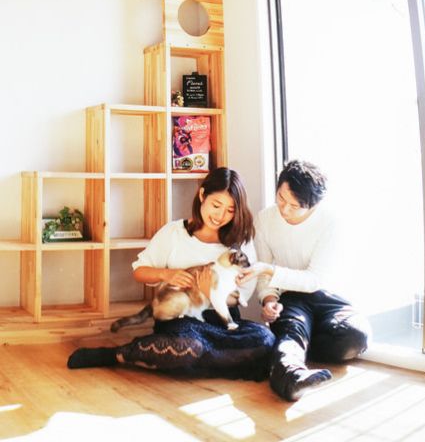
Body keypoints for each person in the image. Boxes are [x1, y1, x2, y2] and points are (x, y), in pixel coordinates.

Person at [67, 167, 274, 381]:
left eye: (230, 210)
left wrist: (209, 293)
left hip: (223, 321)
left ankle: (189, 361)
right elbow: (140, 271)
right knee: (187, 344)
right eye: (216, 205)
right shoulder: (174, 232)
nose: (221, 216)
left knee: (265, 338)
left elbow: (243, 293)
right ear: (202, 195)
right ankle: (117, 354)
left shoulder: (240, 241)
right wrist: (167, 274)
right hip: (182, 319)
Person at [245, 160, 371, 401]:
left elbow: (314, 280)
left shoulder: (330, 222)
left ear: (314, 205)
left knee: (355, 337)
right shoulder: (264, 220)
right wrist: (269, 300)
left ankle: (293, 345)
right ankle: (291, 376)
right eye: (281, 198)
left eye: (295, 206)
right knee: (292, 329)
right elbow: (264, 275)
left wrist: (270, 270)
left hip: (326, 297)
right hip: (291, 298)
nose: (284, 209)